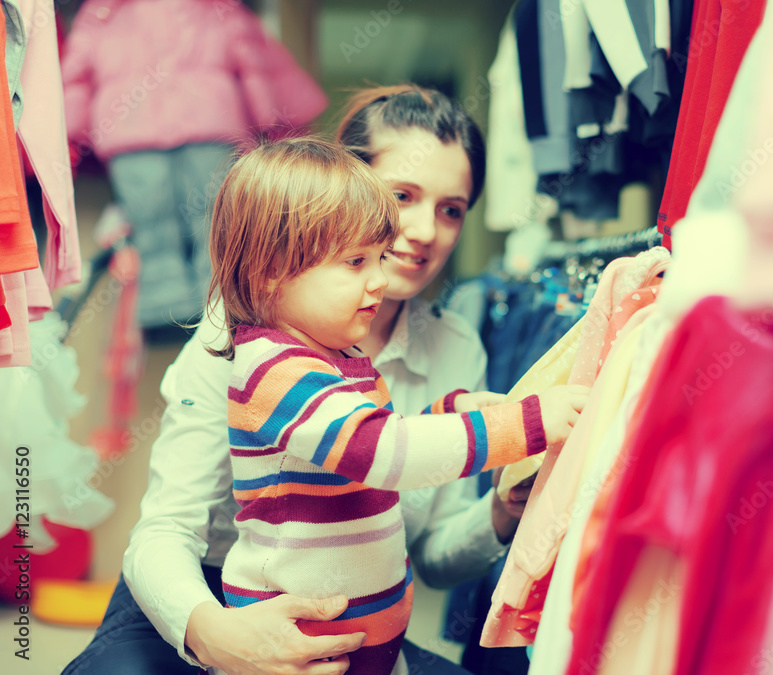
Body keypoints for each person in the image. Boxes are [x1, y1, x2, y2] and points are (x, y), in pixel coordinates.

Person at [62, 85, 552, 675]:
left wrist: (501, 513)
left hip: (349, 621)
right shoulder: (240, 333)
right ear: (346, 191)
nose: (424, 231)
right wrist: (216, 634)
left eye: (452, 209)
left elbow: (431, 553)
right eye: (403, 196)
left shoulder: (455, 346)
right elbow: (165, 530)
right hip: (207, 592)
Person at [207, 136, 585, 675]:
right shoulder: (275, 369)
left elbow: (376, 432)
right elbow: (382, 451)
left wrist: (448, 412)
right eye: (356, 261)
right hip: (297, 654)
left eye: (378, 258)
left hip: (368, 647)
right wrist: (520, 425)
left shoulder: (338, 354)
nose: (380, 280)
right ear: (272, 269)